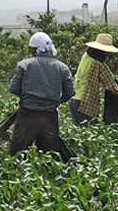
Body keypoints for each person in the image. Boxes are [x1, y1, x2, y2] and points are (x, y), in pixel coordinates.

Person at [6, 32, 77, 161]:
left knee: (17, 156)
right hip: (49, 117)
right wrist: (56, 101)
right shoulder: (62, 68)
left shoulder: (24, 65)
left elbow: (13, 88)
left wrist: (27, 97)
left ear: (34, 49)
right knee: (50, 158)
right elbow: (70, 92)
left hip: (27, 115)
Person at [72, 32, 118, 125]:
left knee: (78, 133)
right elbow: (111, 85)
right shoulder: (99, 63)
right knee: (90, 133)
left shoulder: (85, 56)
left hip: (73, 99)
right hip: (85, 103)